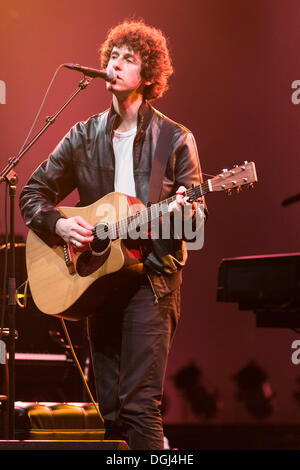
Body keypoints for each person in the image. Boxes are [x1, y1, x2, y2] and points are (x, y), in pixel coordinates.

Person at [19, 19, 207, 450]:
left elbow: (196, 224)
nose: (116, 65)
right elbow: (32, 193)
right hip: (99, 283)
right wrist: (61, 224)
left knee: (140, 406)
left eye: (129, 59)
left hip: (151, 282)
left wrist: (184, 211)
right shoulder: (82, 136)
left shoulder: (174, 140)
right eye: (113, 56)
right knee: (111, 413)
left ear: (150, 75)